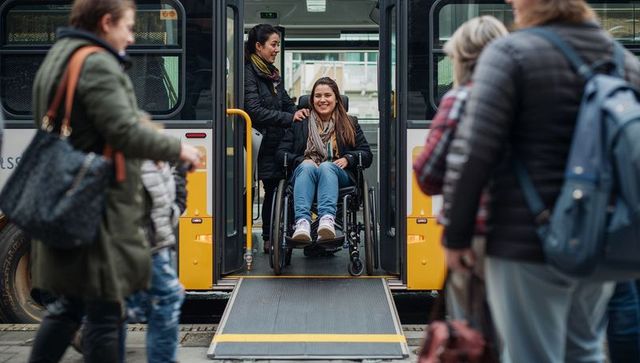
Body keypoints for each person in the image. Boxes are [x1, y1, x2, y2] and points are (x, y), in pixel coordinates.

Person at [441, 0, 640, 362]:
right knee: (584, 350)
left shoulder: (510, 53)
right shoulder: (622, 59)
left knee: (530, 353)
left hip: (525, 240)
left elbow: (475, 152)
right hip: (598, 237)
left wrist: (457, 235)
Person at [27, 1, 202, 362]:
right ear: (106, 22)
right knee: (106, 313)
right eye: (129, 27)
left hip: (73, 200)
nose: (131, 36)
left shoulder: (60, 56)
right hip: (98, 209)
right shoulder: (96, 63)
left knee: (69, 308)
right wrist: (177, 149)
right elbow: (122, 131)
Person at [413, 16, 507, 322]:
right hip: (531, 234)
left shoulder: (459, 99)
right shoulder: (528, 97)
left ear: (461, 59)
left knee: (472, 330)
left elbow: (427, 175)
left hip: (475, 235)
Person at [276, 77, 372, 241]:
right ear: (311, 100)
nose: (322, 100)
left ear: (336, 99)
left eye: (327, 95)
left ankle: (327, 220)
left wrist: (349, 158)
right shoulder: (300, 122)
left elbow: (366, 154)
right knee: (307, 167)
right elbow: (281, 154)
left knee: (327, 167)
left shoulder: (350, 123)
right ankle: (302, 222)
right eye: (317, 96)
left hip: (339, 175)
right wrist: (301, 161)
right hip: (306, 175)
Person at [244, 24, 308, 253]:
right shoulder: (249, 73)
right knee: (271, 187)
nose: (276, 49)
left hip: (279, 140)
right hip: (263, 141)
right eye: (273, 44)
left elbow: (285, 102)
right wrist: (289, 118)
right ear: (258, 46)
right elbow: (253, 110)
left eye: (278, 45)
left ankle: (287, 231)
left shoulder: (272, 74)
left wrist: (299, 112)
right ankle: (271, 237)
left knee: (284, 186)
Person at [121, 151, 188, 363]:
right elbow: (166, 212)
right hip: (149, 248)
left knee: (113, 311)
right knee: (166, 300)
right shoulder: (142, 161)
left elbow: (169, 211)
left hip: (148, 246)